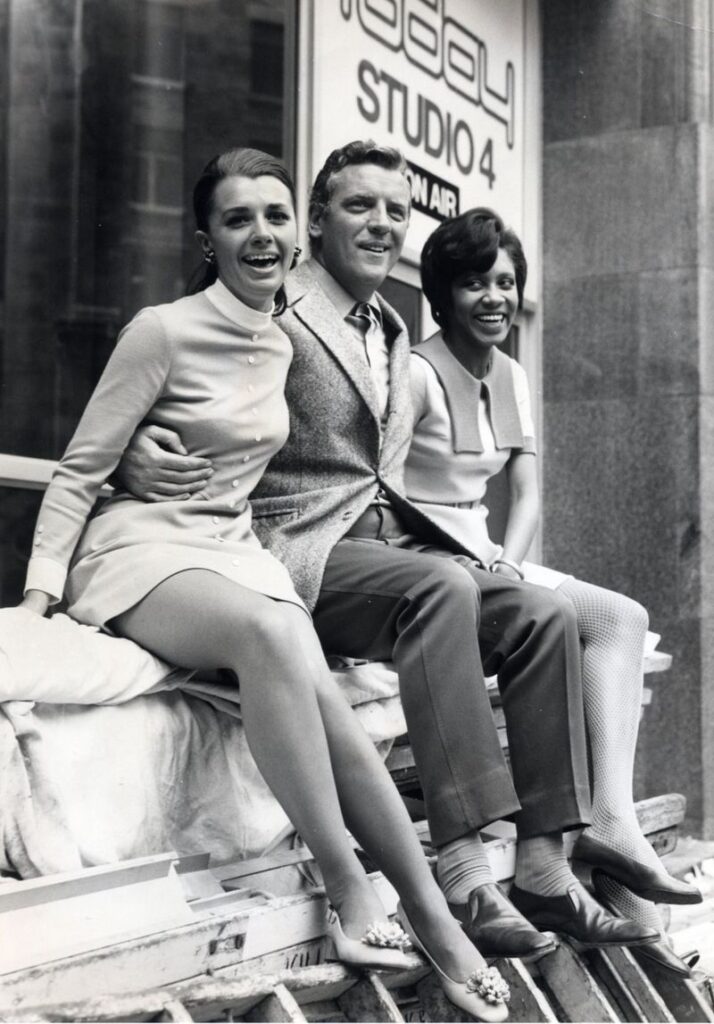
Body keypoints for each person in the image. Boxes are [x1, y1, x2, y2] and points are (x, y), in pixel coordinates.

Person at [116, 140, 658, 958]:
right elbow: (180, 369)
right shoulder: (273, 301)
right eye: (358, 205)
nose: (380, 223)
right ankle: (468, 871)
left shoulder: (393, 325)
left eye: (396, 211)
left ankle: (545, 865)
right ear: (318, 222)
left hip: (381, 544)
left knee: (543, 613)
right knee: (440, 591)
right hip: (292, 546)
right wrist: (136, 449)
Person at [18, 147, 512, 1022]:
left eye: (277, 217)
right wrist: (38, 596)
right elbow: (78, 471)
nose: (262, 235)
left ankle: (436, 920)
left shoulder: (292, 333)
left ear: (300, 233)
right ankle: (347, 886)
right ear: (208, 236)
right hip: (141, 551)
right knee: (276, 634)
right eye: (238, 218)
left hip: (235, 550)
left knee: (320, 693)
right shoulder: (161, 329)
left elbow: (324, 449)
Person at [407, 205, 701, 953]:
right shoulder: (413, 372)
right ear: (442, 294)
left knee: (620, 618)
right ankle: (593, 845)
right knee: (556, 621)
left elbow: (528, 493)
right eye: (474, 283)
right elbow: (382, 489)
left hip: (487, 554)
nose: (495, 298)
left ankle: (609, 821)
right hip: (423, 558)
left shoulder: (510, 375)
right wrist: (473, 562)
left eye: (506, 282)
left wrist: (507, 555)